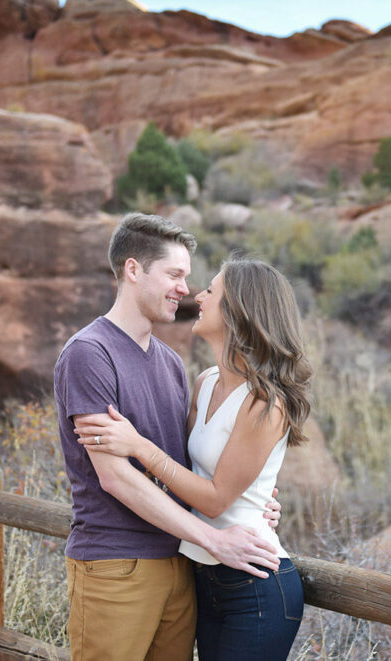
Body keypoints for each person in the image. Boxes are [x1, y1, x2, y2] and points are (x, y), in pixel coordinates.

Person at [54, 213, 282, 661]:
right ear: (133, 270)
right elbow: (116, 478)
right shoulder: (89, 354)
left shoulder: (171, 364)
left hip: (181, 564)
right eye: (174, 274)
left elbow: (185, 464)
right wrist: (213, 539)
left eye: (188, 277)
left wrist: (252, 498)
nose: (185, 289)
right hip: (116, 563)